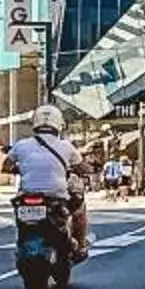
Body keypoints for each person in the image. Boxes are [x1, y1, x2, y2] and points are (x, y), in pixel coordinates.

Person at [8, 103, 91, 256]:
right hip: (57, 195)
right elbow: (84, 168)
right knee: (79, 208)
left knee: (18, 212)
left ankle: (22, 246)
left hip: (27, 194)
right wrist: (87, 170)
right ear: (59, 125)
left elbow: (6, 166)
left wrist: (19, 168)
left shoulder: (21, 145)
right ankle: (79, 246)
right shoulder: (66, 146)